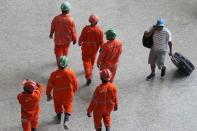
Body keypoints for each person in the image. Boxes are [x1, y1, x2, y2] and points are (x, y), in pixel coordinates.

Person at [46, 56, 78, 129]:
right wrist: (74, 91)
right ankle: (66, 120)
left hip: (57, 95)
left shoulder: (53, 74)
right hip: (68, 94)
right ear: (66, 65)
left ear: (58, 64)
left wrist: (48, 94)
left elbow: (49, 85)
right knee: (68, 106)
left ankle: (59, 117)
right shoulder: (71, 73)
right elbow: (75, 83)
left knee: (57, 105)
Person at [78, 14, 104, 86]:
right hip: (94, 50)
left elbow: (81, 37)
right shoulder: (99, 31)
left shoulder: (86, 29)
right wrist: (101, 48)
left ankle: (88, 76)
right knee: (91, 62)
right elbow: (101, 41)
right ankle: (90, 70)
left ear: (89, 21)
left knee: (86, 62)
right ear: (97, 22)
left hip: (85, 49)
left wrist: (79, 42)